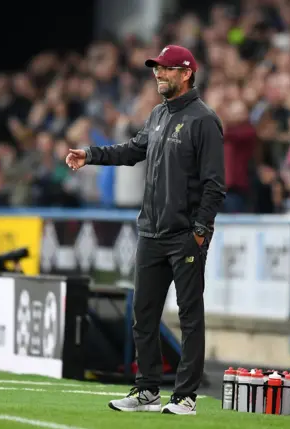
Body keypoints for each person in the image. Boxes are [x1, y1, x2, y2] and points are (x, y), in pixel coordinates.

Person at [66, 45, 225, 415]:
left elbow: (215, 185)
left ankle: (185, 396)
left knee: (189, 316)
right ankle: (147, 389)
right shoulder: (156, 115)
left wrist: (200, 232)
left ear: (187, 73)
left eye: (167, 69)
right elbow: (131, 151)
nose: (158, 74)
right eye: (156, 69)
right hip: (150, 234)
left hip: (184, 236)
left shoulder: (204, 120)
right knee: (143, 316)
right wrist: (90, 154)